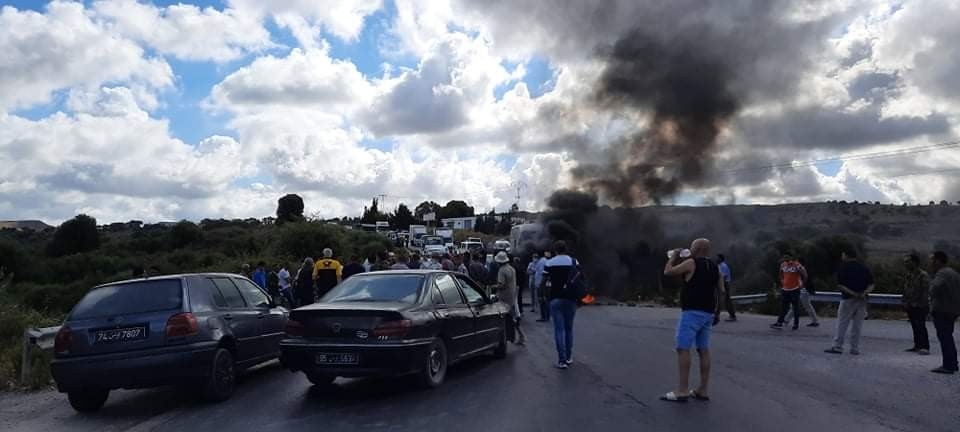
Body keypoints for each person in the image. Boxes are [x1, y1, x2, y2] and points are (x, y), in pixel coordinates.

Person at [660, 238, 722, 402]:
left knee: (683, 348)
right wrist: (717, 312)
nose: (690, 249)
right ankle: (703, 389)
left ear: (698, 249)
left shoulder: (692, 263)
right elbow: (721, 291)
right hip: (708, 314)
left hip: (692, 312)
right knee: (703, 350)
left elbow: (668, 271)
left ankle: (682, 390)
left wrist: (673, 256)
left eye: (692, 247)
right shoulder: (716, 267)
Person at [825, 250, 874, 355]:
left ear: (846, 255)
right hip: (862, 300)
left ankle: (837, 346)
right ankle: (854, 348)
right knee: (857, 325)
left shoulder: (843, 268)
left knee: (842, 323)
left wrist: (853, 294)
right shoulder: (864, 268)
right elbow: (871, 284)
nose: (842, 256)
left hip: (847, 299)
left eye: (843, 254)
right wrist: (864, 293)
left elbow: (840, 285)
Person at [541, 241, 579, 369]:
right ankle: (568, 357)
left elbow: (543, 281)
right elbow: (579, 279)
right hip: (571, 299)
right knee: (569, 329)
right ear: (566, 249)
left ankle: (561, 361)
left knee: (559, 329)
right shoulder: (574, 262)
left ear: (555, 250)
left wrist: (545, 297)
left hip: (555, 298)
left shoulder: (550, 263)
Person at [928, 251, 960, 374]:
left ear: (938, 261)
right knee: (948, 337)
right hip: (953, 310)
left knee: (944, 338)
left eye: (932, 260)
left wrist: (931, 289)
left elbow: (934, 288)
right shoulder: (954, 273)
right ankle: (953, 363)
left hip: (942, 309)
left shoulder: (941, 274)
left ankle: (948, 365)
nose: (930, 262)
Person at [901, 253, 931, 355]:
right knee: (914, 325)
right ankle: (917, 345)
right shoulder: (908, 274)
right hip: (910, 304)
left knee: (920, 325)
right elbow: (905, 289)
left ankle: (925, 347)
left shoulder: (923, 275)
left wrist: (920, 304)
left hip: (920, 305)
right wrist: (904, 301)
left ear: (914, 262)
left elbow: (925, 291)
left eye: (908, 262)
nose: (906, 264)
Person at [496, 252, 526, 345]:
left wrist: (493, 287)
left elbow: (502, 285)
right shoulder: (511, 269)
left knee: (504, 319)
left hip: (504, 297)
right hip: (512, 296)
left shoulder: (501, 270)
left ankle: (505, 339)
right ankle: (521, 335)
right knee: (513, 317)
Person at [771, 254, 805, 330]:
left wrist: (802, 283)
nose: (785, 258)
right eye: (784, 257)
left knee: (795, 307)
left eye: (786, 257)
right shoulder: (783, 265)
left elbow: (804, 274)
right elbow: (780, 274)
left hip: (795, 289)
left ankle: (796, 324)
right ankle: (779, 323)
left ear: (790, 257)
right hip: (785, 289)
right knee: (783, 307)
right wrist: (782, 281)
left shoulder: (796, 264)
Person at [714, 254, 736, 324]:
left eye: (717, 258)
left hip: (724, 284)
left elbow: (723, 277)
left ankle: (732, 316)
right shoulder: (719, 265)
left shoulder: (723, 266)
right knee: (722, 299)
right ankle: (717, 315)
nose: (716, 259)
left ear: (721, 259)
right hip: (723, 283)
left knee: (724, 300)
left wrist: (721, 286)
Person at [536, 251, 552, 322]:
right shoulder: (546, 261)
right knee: (545, 300)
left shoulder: (542, 262)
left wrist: (541, 284)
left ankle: (544, 316)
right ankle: (546, 316)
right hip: (544, 284)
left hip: (542, 284)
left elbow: (542, 274)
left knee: (542, 300)